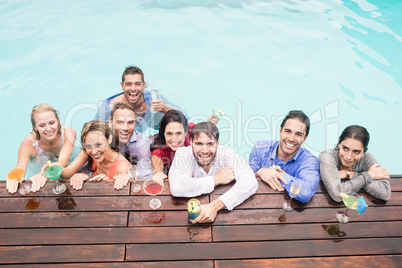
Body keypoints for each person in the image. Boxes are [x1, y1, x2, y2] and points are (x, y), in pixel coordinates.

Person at [169, 122, 258, 223]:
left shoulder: (227, 152)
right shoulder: (183, 153)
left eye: (210, 144)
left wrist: (214, 206)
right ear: (191, 142)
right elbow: (177, 187)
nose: (205, 150)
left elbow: (250, 181)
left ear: (218, 142)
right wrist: (218, 179)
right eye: (199, 144)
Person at [248, 110, 320, 203]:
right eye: (288, 131)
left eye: (298, 134)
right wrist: (259, 173)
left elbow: (306, 193)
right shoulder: (260, 148)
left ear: (305, 138)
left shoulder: (309, 160)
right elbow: (244, 179)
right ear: (280, 131)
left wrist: (279, 174)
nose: (291, 138)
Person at [94, 66, 187, 135]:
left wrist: (166, 109)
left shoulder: (153, 98)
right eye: (128, 84)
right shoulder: (108, 108)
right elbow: (94, 133)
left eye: (137, 84)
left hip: (148, 123)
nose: (133, 88)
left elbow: (185, 119)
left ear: (143, 85)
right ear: (122, 86)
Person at [6, 103, 76, 194]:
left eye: (51, 123)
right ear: (35, 128)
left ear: (57, 121)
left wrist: (44, 173)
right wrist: (14, 177)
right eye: (42, 125)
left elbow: (63, 161)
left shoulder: (69, 133)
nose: (48, 129)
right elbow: (20, 167)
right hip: (37, 181)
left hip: (62, 177)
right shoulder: (28, 144)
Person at [319, 125, 391, 202]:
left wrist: (350, 174)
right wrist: (369, 175)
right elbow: (338, 195)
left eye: (356, 152)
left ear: (364, 151)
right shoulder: (327, 157)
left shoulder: (367, 158)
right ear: (339, 143)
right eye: (345, 148)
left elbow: (385, 193)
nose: (348, 157)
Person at [61, 120, 131, 190]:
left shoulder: (122, 167)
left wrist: (106, 184)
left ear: (109, 139)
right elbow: (68, 172)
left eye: (98, 144)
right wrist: (82, 175)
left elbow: (122, 197)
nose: (94, 152)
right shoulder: (88, 151)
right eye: (88, 146)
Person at [109, 102, 153, 179]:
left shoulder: (142, 141)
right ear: (110, 122)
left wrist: (126, 176)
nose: (125, 128)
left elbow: (146, 175)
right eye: (120, 122)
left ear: (135, 123)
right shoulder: (103, 139)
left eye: (130, 122)